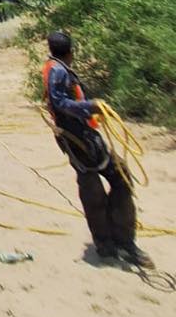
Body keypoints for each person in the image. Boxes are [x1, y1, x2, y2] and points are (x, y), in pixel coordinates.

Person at [43, 31, 152, 268]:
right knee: (97, 187)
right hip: (78, 140)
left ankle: (117, 240)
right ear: (71, 52)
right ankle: (112, 244)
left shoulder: (56, 68)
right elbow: (59, 103)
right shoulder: (59, 71)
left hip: (85, 138)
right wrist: (90, 107)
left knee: (118, 177)